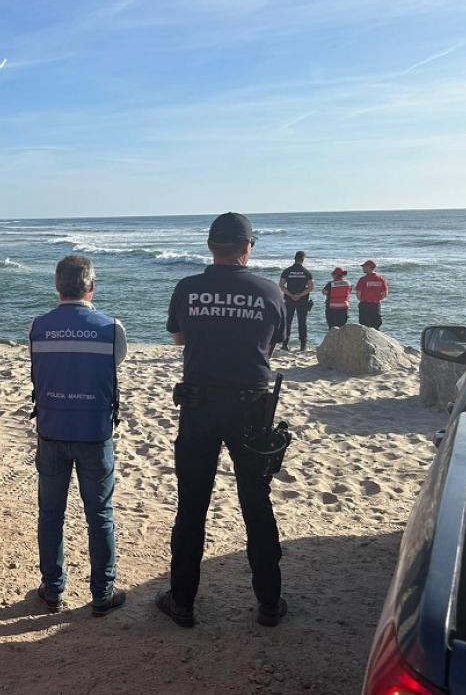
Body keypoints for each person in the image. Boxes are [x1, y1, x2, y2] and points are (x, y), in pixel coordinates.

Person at [157, 212, 287, 629]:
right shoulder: (269, 290)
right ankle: (269, 603)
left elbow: (180, 338)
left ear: (211, 247)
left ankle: (183, 602)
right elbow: (273, 346)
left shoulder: (188, 288)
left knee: (192, 506)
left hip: (199, 406)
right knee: (256, 502)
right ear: (248, 247)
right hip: (252, 408)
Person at [29, 255, 128, 616]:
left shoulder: (38, 327)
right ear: (92, 286)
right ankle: (102, 592)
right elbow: (112, 365)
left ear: (57, 286)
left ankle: (53, 589)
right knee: (100, 513)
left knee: (51, 513)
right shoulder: (111, 328)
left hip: (52, 429)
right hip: (94, 431)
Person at [278, 251, 314, 351]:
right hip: (303, 300)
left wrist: (291, 295)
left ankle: (285, 344)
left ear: (294, 258)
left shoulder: (287, 271)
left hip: (289, 300)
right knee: (302, 322)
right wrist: (300, 295)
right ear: (303, 259)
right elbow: (311, 287)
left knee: (287, 322)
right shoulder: (306, 272)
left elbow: (281, 285)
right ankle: (303, 346)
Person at [355, 259, 389, 329]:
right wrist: (377, 299)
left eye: (364, 267)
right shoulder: (381, 278)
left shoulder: (363, 279)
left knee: (364, 326)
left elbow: (358, 294)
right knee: (376, 325)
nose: (363, 268)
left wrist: (362, 300)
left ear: (369, 267)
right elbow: (385, 293)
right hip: (376, 305)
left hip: (365, 304)